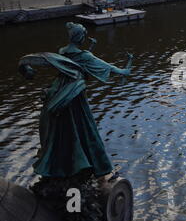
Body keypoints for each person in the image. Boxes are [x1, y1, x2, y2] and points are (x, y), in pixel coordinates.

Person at [21, 22, 130, 180]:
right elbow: (106, 67)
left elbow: (75, 65)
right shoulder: (85, 56)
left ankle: (60, 165)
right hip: (74, 96)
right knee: (85, 129)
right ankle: (96, 166)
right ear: (82, 38)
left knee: (61, 131)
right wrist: (124, 71)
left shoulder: (62, 52)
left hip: (57, 92)